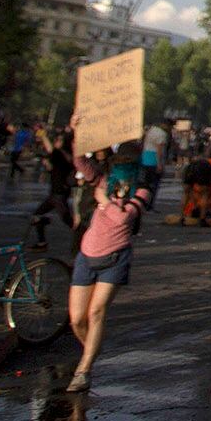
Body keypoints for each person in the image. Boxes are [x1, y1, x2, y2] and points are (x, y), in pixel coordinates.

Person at [67, 142, 151, 392]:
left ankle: (84, 369)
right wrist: (80, 132)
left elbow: (123, 218)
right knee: (77, 319)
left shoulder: (142, 191)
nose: (122, 166)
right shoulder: (103, 181)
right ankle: (92, 348)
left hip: (116, 257)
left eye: (128, 162)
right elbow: (80, 160)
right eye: (119, 162)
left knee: (96, 312)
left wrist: (103, 202)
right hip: (87, 253)